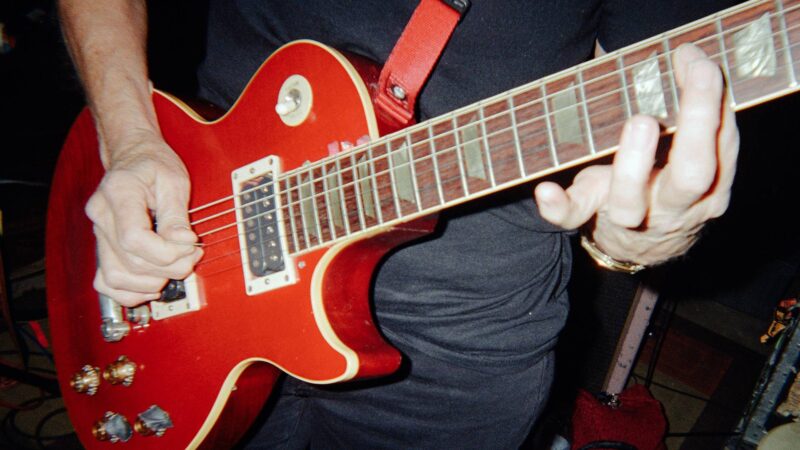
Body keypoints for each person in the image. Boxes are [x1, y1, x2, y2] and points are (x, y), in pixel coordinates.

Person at [57, 0, 741, 447]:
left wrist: (641, 236)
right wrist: (129, 138)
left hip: (459, 338)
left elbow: (669, 81)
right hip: (200, 215)